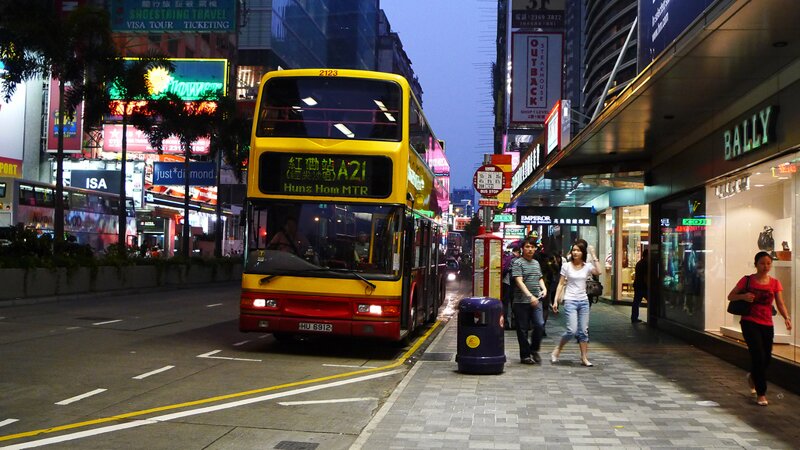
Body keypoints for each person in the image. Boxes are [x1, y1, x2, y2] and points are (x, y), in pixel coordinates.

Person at [727, 251, 792, 406]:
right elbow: (731, 296)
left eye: (768, 263)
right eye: (762, 263)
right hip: (749, 321)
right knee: (757, 354)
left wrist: (786, 318)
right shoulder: (747, 280)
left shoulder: (775, 283)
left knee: (767, 357)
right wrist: (743, 296)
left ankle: (753, 376)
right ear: (756, 264)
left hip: (767, 323)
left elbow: (780, 303)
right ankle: (761, 393)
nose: (765, 266)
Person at [551, 240, 600, 367]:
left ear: (583, 253)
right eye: (574, 250)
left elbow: (598, 272)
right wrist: (555, 300)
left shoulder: (587, 266)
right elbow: (561, 284)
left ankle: (584, 358)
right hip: (570, 301)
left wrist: (594, 255)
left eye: (578, 250)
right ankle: (559, 348)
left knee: (583, 331)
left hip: (583, 301)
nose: (575, 252)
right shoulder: (566, 266)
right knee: (571, 330)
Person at [511, 237, 547, 364]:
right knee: (522, 329)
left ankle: (534, 349)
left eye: (532, 247)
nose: (530, 249)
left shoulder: (536, 263)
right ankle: (525, 356)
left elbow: (539, 278)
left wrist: (544, 289)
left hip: (537, 300)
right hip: (521, 302)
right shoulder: (517, 263)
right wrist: (529, 296)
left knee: (540, 325)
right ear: (522, 249)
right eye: (527, 247)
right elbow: (518, 281)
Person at [501, 245, 521, 330]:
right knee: (514, 303)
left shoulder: (507, 258)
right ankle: (514, 323)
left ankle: (505, 323)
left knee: (505, 303)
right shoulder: (518, 260)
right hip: (515, 284)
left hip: (505, 283)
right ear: (517, 252)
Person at [631, 249, 649, 323]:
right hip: (642, 286)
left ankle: (634, 317)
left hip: (638, 285)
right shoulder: (645, 264)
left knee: (636, 302)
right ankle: (652, 317)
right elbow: (645, 277)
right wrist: (648, 285)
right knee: (650, 300)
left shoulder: (639, 263)